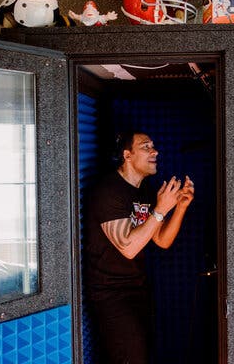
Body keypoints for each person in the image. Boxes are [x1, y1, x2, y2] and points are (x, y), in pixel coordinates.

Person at [85, 131, 195, 364]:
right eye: (146, 147)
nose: (155, 151)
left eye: (154, 146)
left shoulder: (143, 191)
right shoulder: (108, 192)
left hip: (137, 289)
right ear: (127, 155)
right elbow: (128, 248)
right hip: (111, 295)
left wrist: (180, 207)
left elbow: (162, 240)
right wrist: (160, 210)